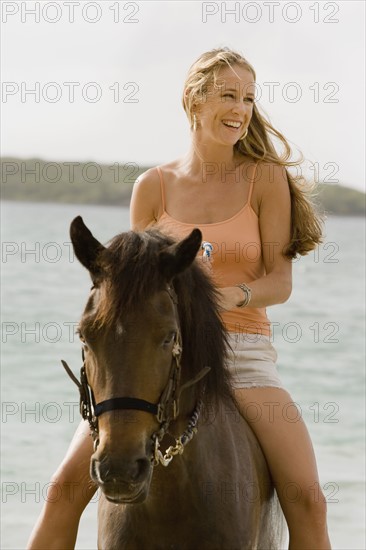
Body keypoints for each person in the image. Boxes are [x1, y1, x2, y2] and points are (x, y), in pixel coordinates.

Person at [27, 47, 331, 549]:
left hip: (242, 355)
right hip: (158, 358)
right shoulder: (154, 186)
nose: (240, 109)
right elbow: (133, 292)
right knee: (61, 492)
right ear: (194, 99)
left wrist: (227, 297)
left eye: (249, 98)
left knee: (308, 500)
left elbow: (280, 280)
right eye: (228, 95)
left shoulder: (265, 179)